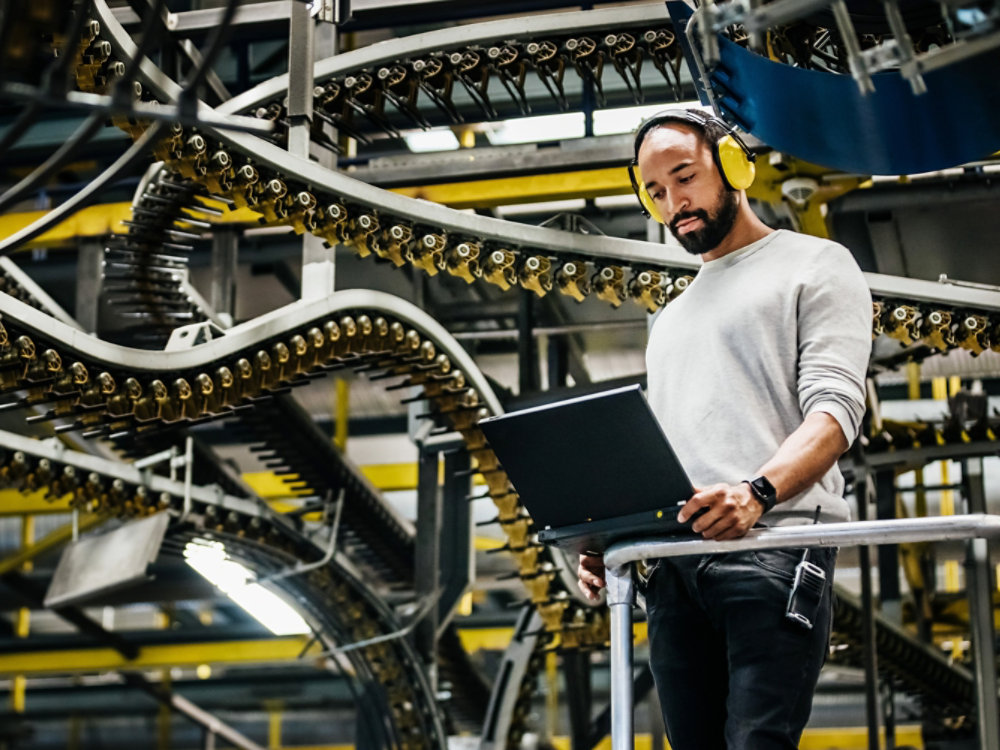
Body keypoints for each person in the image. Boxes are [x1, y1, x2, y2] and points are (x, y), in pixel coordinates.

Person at [577, 109, 872, 749]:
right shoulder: (671, 319)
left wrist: (757, 492)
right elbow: (674, 455)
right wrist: (611, 534)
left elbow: (836, 412)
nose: (673, 203)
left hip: (774, 549)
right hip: (675, 568)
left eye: (684, 177)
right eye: (654, 192)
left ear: (733, 166)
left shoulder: (815, 264)